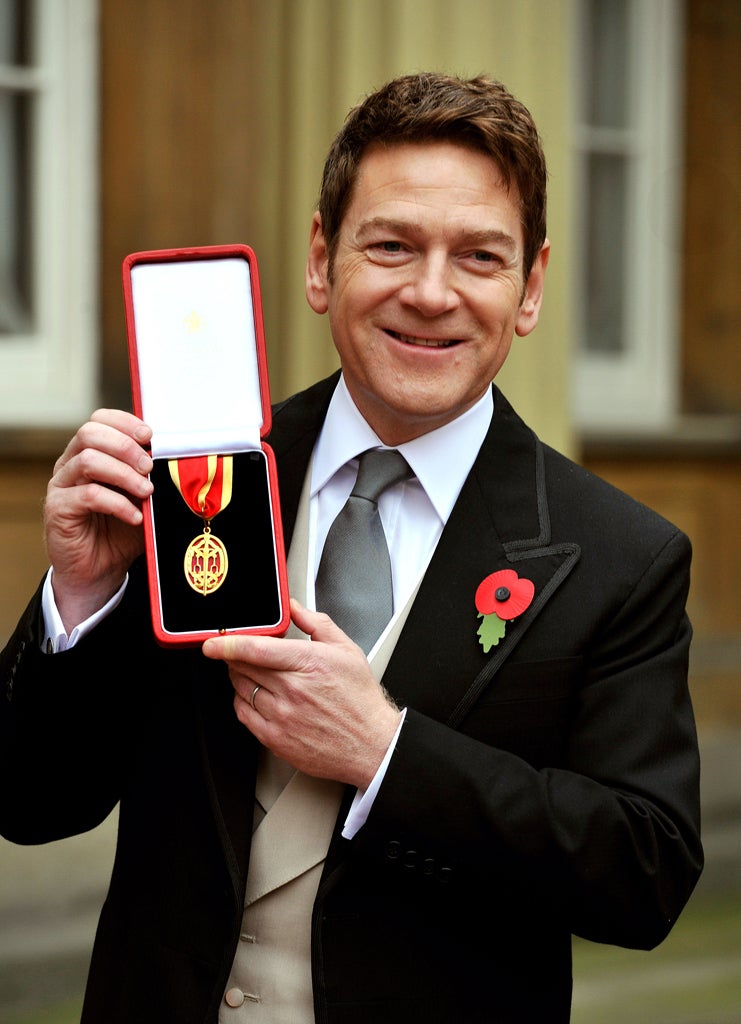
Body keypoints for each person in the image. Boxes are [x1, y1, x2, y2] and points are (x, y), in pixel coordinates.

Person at [0, 72, 702, 1024]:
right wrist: (79, 601)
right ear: (322, 261)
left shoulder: (619, 554)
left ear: (529, 288)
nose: (429, 292)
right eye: (391, 245)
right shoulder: (191, 477)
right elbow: (31, 803)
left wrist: (386, 751)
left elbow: (643, 874)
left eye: (479, 257)